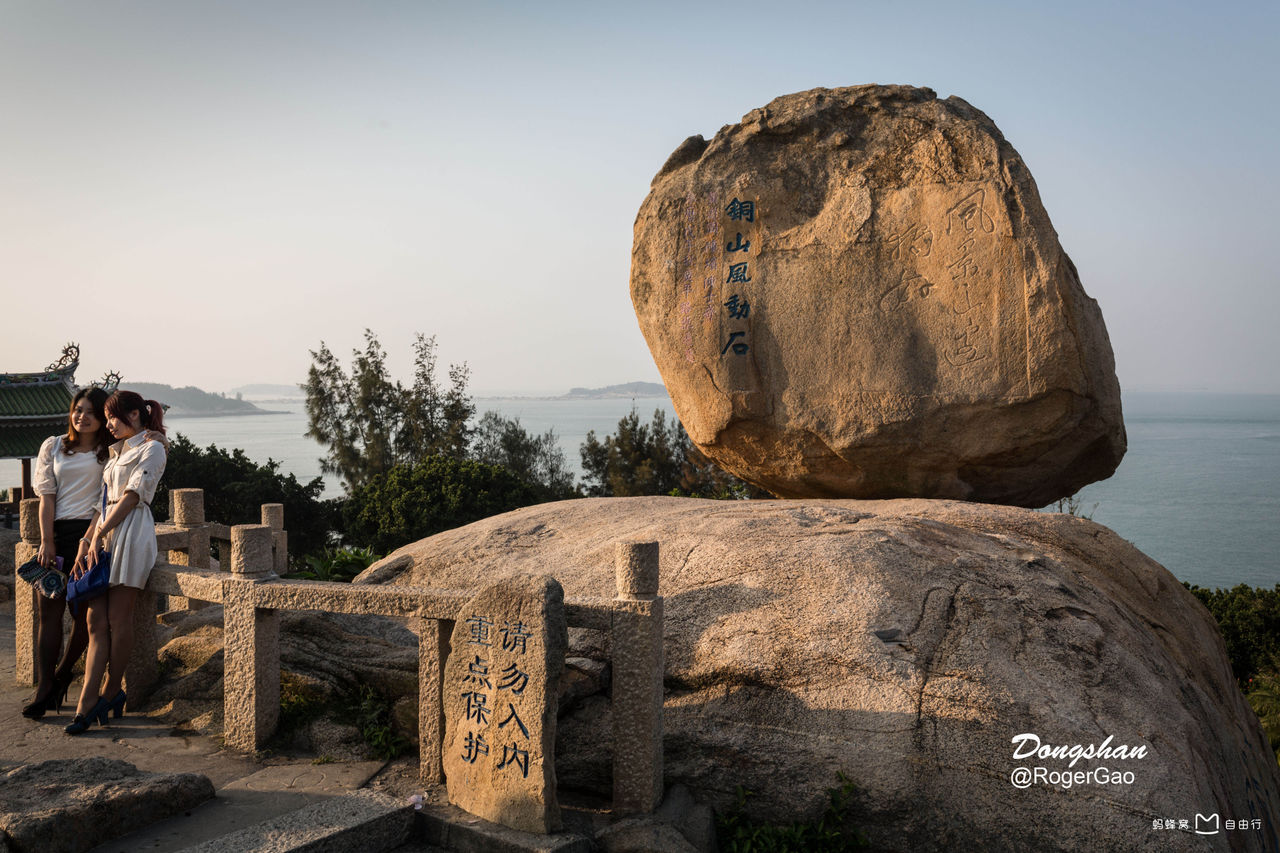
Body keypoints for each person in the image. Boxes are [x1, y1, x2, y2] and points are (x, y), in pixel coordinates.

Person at [65, 390, 167, 735]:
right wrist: (86, 540)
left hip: (133, 534)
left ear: (135, 414)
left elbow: (133, 497)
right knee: (95, 622)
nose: (108, 424)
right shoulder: (115, 454)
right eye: (107, 417)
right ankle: (88, 700)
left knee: (118, 619)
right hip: (103, 538)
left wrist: (99, 535)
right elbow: (101, 504)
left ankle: (109, 692)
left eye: (113, 416)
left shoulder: (153, 448)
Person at [21, 388, 112, 719]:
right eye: (77, 409)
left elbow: (103, 504)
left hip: (89, 537)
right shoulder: (54, 446)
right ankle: (45, 686)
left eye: (90, 411)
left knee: (83, 616)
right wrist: (47, 541)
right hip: (56, 536)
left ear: (102, 418)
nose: (81, 416)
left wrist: (89, 540)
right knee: (49, 614)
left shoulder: (109, 453)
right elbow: (47, 496)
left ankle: (62, 677)